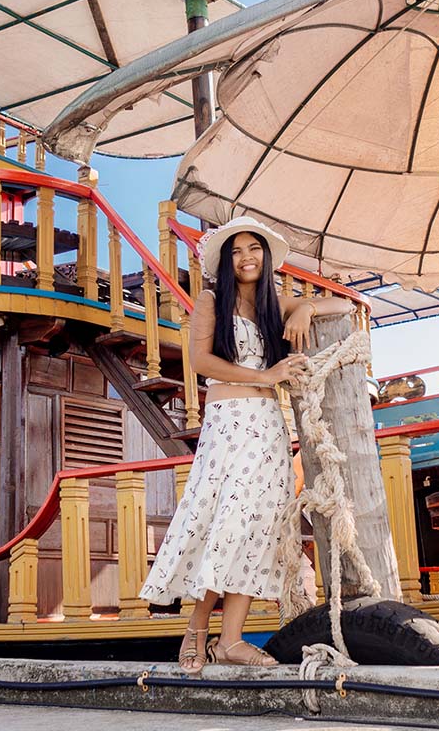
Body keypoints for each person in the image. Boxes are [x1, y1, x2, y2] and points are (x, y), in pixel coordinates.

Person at [139, 216, 351, 672]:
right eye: (236, 251)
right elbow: (200, 360)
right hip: (231, 420)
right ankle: (197, 629)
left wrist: (305, 310)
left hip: (269, 425)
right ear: (225, 261)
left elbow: (346, 304)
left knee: (258, 526)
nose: (246, 257)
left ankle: (231, 640)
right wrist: (266, 375)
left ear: (266, 255)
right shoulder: (213, 299)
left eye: (254, 248)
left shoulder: (273, 301)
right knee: (225, 521)